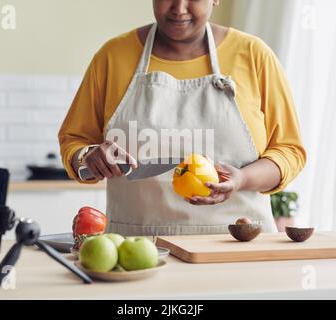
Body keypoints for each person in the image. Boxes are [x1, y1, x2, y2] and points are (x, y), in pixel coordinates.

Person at [58, 0, 306, 236]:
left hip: (238, 249)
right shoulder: (112, 57)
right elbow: (74, 143)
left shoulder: (253, 55)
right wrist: (88, 157)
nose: (179, 8)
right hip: (136, 252)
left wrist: (242, 179)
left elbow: (289, 150)